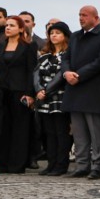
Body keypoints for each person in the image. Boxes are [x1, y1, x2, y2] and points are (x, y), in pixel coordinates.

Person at [61, 5, 100, 179]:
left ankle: (97, 166)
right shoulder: (76, 36)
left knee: (96, 132)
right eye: (79, 15)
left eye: (84, 15)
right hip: (74, 89)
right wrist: (66, 72)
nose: (81, 18)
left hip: (93, 90)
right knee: (79, 132)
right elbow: (66, 58)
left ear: (95, 18)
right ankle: (82, 165)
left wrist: (80, 75)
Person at [0, 16, 36, 173]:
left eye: (12, 25)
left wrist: (30, 93)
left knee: (20, 128)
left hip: (20, 91)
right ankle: (3, 163)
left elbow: (31, 71)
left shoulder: (29, 46)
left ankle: (17, 164)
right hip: (2, 90)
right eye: (7, 25)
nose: (8, 28)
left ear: (21, 29)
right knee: (4, 127)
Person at [34, 22, 71, 175]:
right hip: (44, 99)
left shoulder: (67, 55)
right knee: (49, 133)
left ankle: (61, 165)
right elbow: (36, 74)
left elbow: (61, 75)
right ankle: (51, 163)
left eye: (58, 33)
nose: (54, 35)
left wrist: (47, 90)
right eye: (51, 33)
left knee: (60, 132)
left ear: (65, 36)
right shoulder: (45, 56)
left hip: (59, 97)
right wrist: (39, 90)